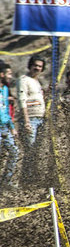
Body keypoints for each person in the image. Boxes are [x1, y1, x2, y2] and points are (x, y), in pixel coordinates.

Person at [17, 54, 47, 187]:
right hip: (30, 119)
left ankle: (32, 178)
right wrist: (27, 120)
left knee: (36, 150)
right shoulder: (23, 80)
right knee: (30, 150)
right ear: (30, 65)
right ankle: (26, 180)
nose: (37, 68)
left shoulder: (36, 82)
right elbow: (22, 100)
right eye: (35, 65)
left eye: (40, 66)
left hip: (40, 118)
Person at [0, 63, 18, 191]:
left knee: (14, 152)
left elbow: (6, 110)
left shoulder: (5, 90)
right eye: (9, 74)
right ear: (1, 74)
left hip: (5, 127)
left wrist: (12, 127)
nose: (10, 77)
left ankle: (6, 180)